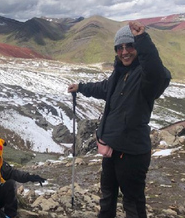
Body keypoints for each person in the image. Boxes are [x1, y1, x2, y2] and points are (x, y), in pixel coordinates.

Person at [67, 21, 171, 218]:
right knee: (107, 197)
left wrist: (142, 39)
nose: (124, 52)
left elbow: (157, 73)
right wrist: (80, 87)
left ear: (137, 48)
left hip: (132, 152)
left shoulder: (146, 78)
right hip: (112, 148)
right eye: (120, 48)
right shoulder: (120, 74)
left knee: (132, 203)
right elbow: (103, 88)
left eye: (129, 46)